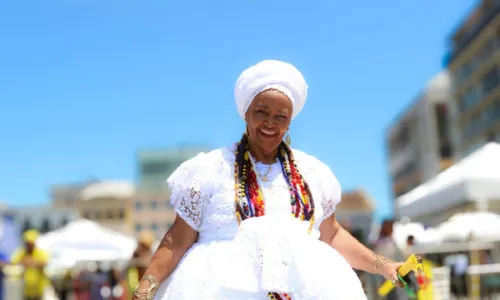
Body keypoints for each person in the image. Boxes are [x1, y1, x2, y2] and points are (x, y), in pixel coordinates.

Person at [133, 60, 403, 300]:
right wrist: (145, 289)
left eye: (280, 116)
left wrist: (385, 266)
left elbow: (331, 235)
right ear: (246, 113)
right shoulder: (209, 169)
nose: (270, 123)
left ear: (289, 122)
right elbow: (178, 239)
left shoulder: (313, 173)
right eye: (261, 112)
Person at [10, 230, 50, 300]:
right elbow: (14, 262)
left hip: (39, 287)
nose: (29, 246)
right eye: (27, 244)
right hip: (25, 288)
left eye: (31, 244)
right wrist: (25, 262)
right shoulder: (22, 252)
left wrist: (32, 262)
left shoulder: (40, 252)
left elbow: (45, 262)